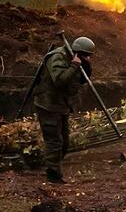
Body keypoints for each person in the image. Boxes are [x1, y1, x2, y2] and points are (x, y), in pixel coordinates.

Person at [33, 36, 95, 183]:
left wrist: (86, 66)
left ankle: (52, 166)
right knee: (54, 141)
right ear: (77, 52)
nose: (87, 57)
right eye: (85, 55)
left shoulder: (76, 58)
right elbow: (59, 80)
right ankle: (53, 175)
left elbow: (81, 80)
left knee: (65, 142)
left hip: (61, 104)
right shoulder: (58, 57)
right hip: (47, 104)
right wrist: (74, 66)